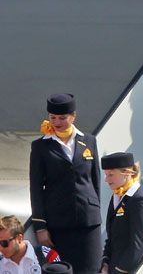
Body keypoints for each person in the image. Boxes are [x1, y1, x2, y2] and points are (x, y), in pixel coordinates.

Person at [29, 93, 101, 274]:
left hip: (88, 221)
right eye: (53, 117)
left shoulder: (89, 141)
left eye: (62, 118)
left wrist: (95, 209)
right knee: (62, 270)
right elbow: (36, 188)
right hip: (59, 223)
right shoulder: (40, 147)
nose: (57, 122)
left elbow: (95, 180)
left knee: (91, 268)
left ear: (73, 116)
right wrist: (41, 227)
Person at [100, 152, 143, 274]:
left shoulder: (139, 200)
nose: (106, 180)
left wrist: (119, 270)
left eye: (111, 175)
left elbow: (138, 245)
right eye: (106, 175)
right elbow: (111, 237)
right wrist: (105, 262)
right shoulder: (117, 195)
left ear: (127, 173)